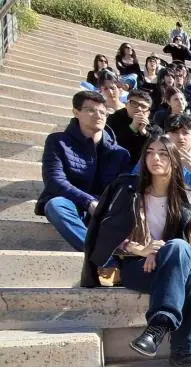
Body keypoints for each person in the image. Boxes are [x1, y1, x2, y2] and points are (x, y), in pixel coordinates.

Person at [81, 135, 191, 367]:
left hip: (173, 264)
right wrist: (142, 251)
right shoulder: (125, 188)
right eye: (150, 152)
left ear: (174, 159)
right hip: (136, 267)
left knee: (183, 253)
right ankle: (185, 350)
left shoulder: (190, 198)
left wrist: (160, 252)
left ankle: (157, 328)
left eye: (162, 153)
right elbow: (105, 233)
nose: (155, 158)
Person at [37, 91, 132, 252]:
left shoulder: (120, 153)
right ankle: (102, 257)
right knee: (54, 205)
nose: (98, 115)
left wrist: (105, 207)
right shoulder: (58, 142)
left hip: (104, 211)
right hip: (72, 204)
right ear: (76, 112)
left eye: (103, 111)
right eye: (90, 110)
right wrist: (88, 202)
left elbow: (122, 190)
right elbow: (54, 180)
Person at [107, 90, 157, 164]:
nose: (139, 108)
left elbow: (156, 148)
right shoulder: (112, 119)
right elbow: (111, 144)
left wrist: (144, 132)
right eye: (134, 103)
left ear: (148, 112)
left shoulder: (154, 127)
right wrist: (132, 127)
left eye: (143, 106)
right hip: (115, 162)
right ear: (126, 104)